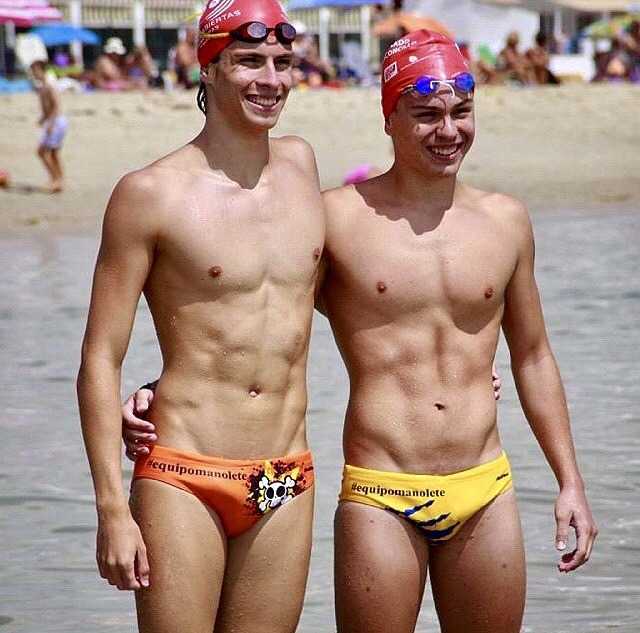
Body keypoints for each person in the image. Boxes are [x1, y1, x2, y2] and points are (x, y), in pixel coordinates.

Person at [123, 30, 597, 632]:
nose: (448, 131)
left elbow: (532, 355)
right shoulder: (339, 218)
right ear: (389, 117)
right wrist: (163, 387)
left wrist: (570, 482)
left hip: (486, 484)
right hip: (381, 490)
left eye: (461, 112)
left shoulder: (506, 220)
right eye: (426, 115)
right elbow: (253, 310)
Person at [77, 1, 326, 632]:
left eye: (283, 62)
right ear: (207, 67)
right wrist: (111, 508)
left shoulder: (301, 165)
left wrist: (465, 358)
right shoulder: (149, 194)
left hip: (283, 477)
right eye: (249, 61)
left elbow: (338, 290)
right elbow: (100, 356)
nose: (271, 79)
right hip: (184, 472)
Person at [30, 60, 67, 193]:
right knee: (54, 153)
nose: (33, 74)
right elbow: (48, 108)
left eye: (35, 71)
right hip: (53, 121)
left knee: (42, 152)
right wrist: (43, 119)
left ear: (42, 70)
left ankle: (55, 179)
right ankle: (60, 180)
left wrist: (51, 123)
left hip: (56, 122)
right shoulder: (42, 88)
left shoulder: (49, 86)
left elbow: (56, 105)